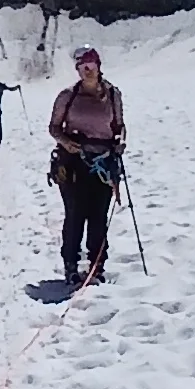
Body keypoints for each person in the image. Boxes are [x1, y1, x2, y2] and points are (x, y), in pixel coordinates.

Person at [48, 46, 126, 287]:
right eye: (83, 67)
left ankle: (97, 264)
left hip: (103, 163)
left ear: (98, 66)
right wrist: (66, 142)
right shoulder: (67, 96)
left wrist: (120, 143)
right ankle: (71, 264)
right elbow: (54, 127)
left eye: (90, 66)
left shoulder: (113, 94)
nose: (87, 71)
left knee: (98, 216)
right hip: (73, 164)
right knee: (75, 214)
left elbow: (119, 126)